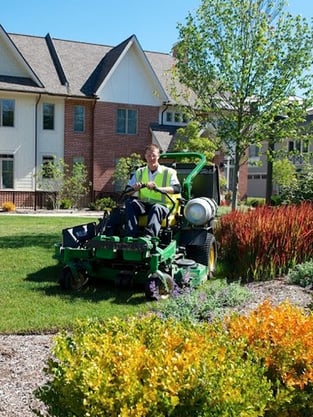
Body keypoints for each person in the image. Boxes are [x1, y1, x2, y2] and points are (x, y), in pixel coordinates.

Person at [124, 144, 181, 238]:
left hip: (163, 206)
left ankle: (149, 238)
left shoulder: (169, 172)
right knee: (130, 203)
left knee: (156, 208)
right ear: (145, 156)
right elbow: (127, 191)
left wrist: (158, 189)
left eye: (154, 155)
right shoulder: (140, 172)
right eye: (149, 155)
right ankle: (130, 236)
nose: (151, 158)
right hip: (144, 205)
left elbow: (177, 188)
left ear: (158, 156)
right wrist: (134, 188)